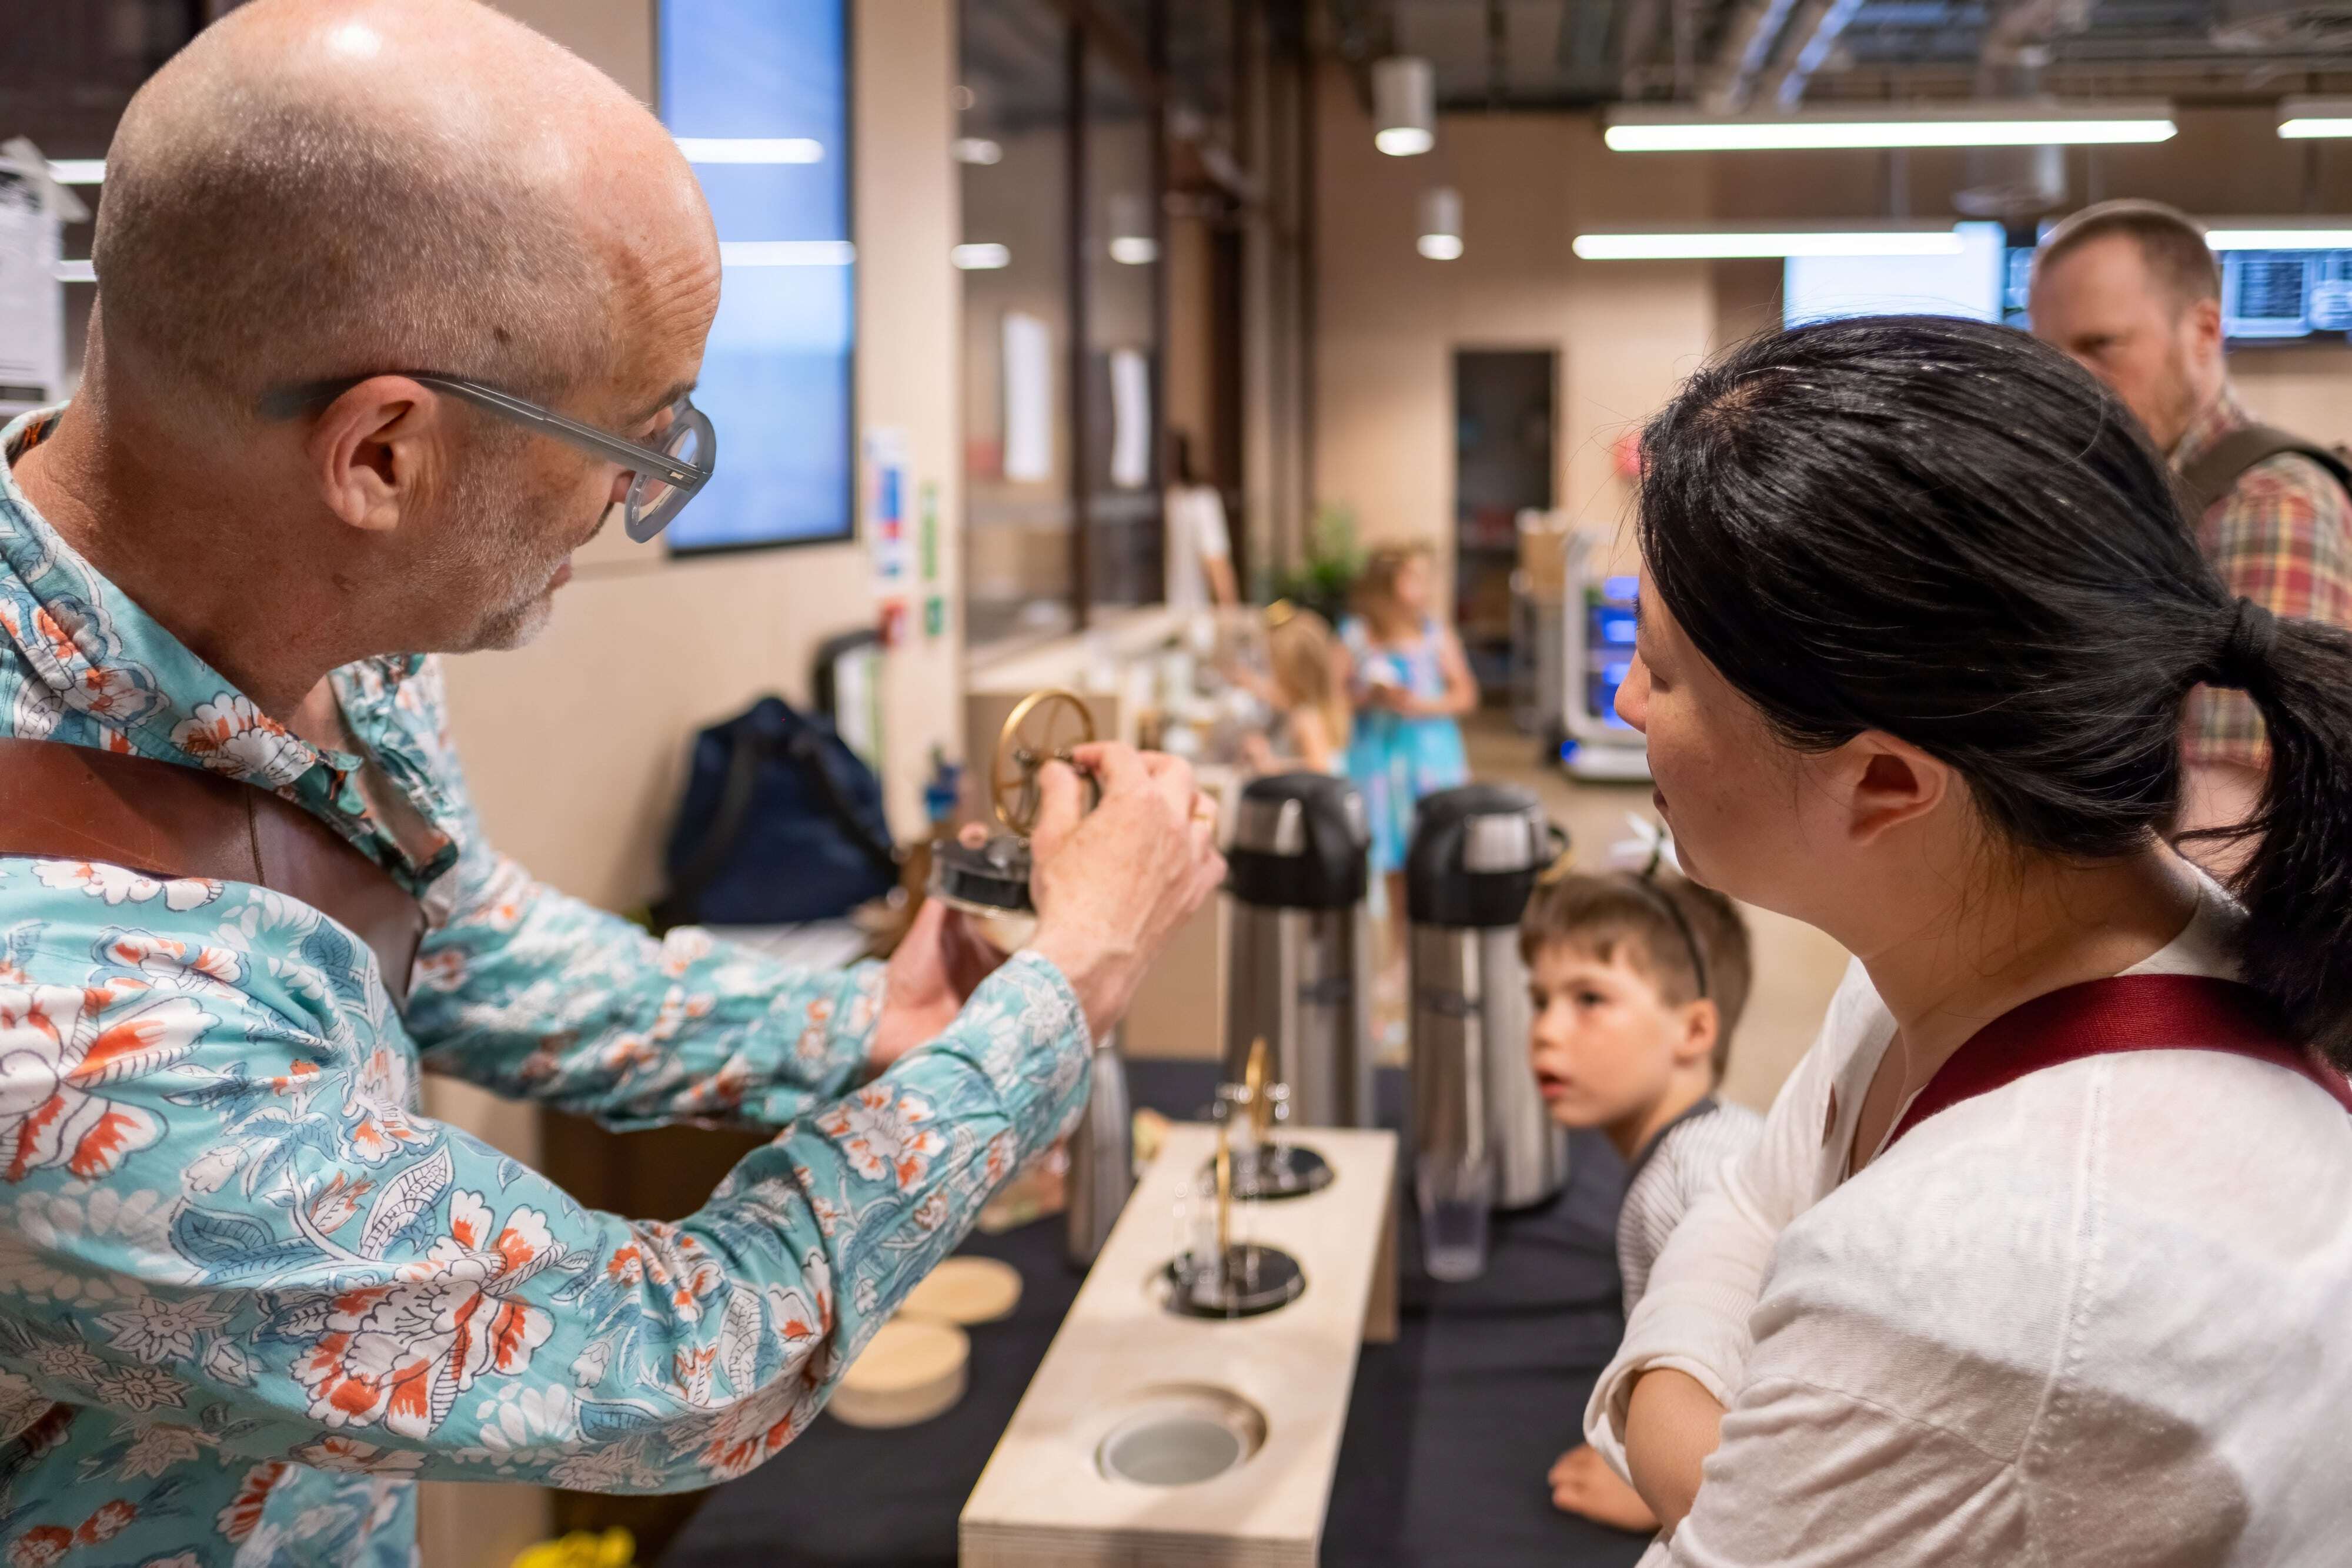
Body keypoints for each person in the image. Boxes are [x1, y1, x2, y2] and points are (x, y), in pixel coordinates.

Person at [0, 4, 1225, 1563]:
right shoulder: (60, 1018)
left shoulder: (322, 627)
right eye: (639, 443)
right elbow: (672, 1355)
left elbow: (470, 944)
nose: (639, 495)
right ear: (382, 456)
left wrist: (870, 1022)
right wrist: (1073, 980)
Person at [1582, 316, 2352, 1563]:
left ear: (1885, 784)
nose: (1624, 702)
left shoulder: (1994, 1271)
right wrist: (1705, 1433)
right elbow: (1745, 1210)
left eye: (1662, 675)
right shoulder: (1977, 940)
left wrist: (1665, 1425)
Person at [2030, 200, 2352, 867]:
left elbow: (2241, 817)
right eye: (2050, 353)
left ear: (2203, 331)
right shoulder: (2142, 501)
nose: (2069, 381)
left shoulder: (2266, 502)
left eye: (2100, 345)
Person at [1519, 862, 1760, 1534]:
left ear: (1694, 1031)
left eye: (1588, 999)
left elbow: (1763, 1369)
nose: (1545, 1029)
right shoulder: (1700, 1143)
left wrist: (1651, 1484)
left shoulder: (1698, 1179)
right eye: (1540, 1000)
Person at [1340, 543, 1475, 950]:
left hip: (1430, 759)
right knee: (1390, 857)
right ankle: (1399, 952)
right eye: (1413, 577)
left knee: (1433, 852)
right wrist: (1370, 696)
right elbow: (1334, 696)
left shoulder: (1436, 635)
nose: (1424, 586)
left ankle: (1433, 947)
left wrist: (1419, 706)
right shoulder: (1357, 635)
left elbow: (1466, 695)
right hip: (1378, 760)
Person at [1238, 602, 1351, 775]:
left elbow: (1319, 766)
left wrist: (1269, 764)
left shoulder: (1305, 717)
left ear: (1290, 674)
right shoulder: (1318, 707)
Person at [1163, 432, 1237, 615]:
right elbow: (1217, 562)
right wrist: (1232, 613)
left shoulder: (1176, 501)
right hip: (1192, 617)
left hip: (1169, 616)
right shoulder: (1202, 501)